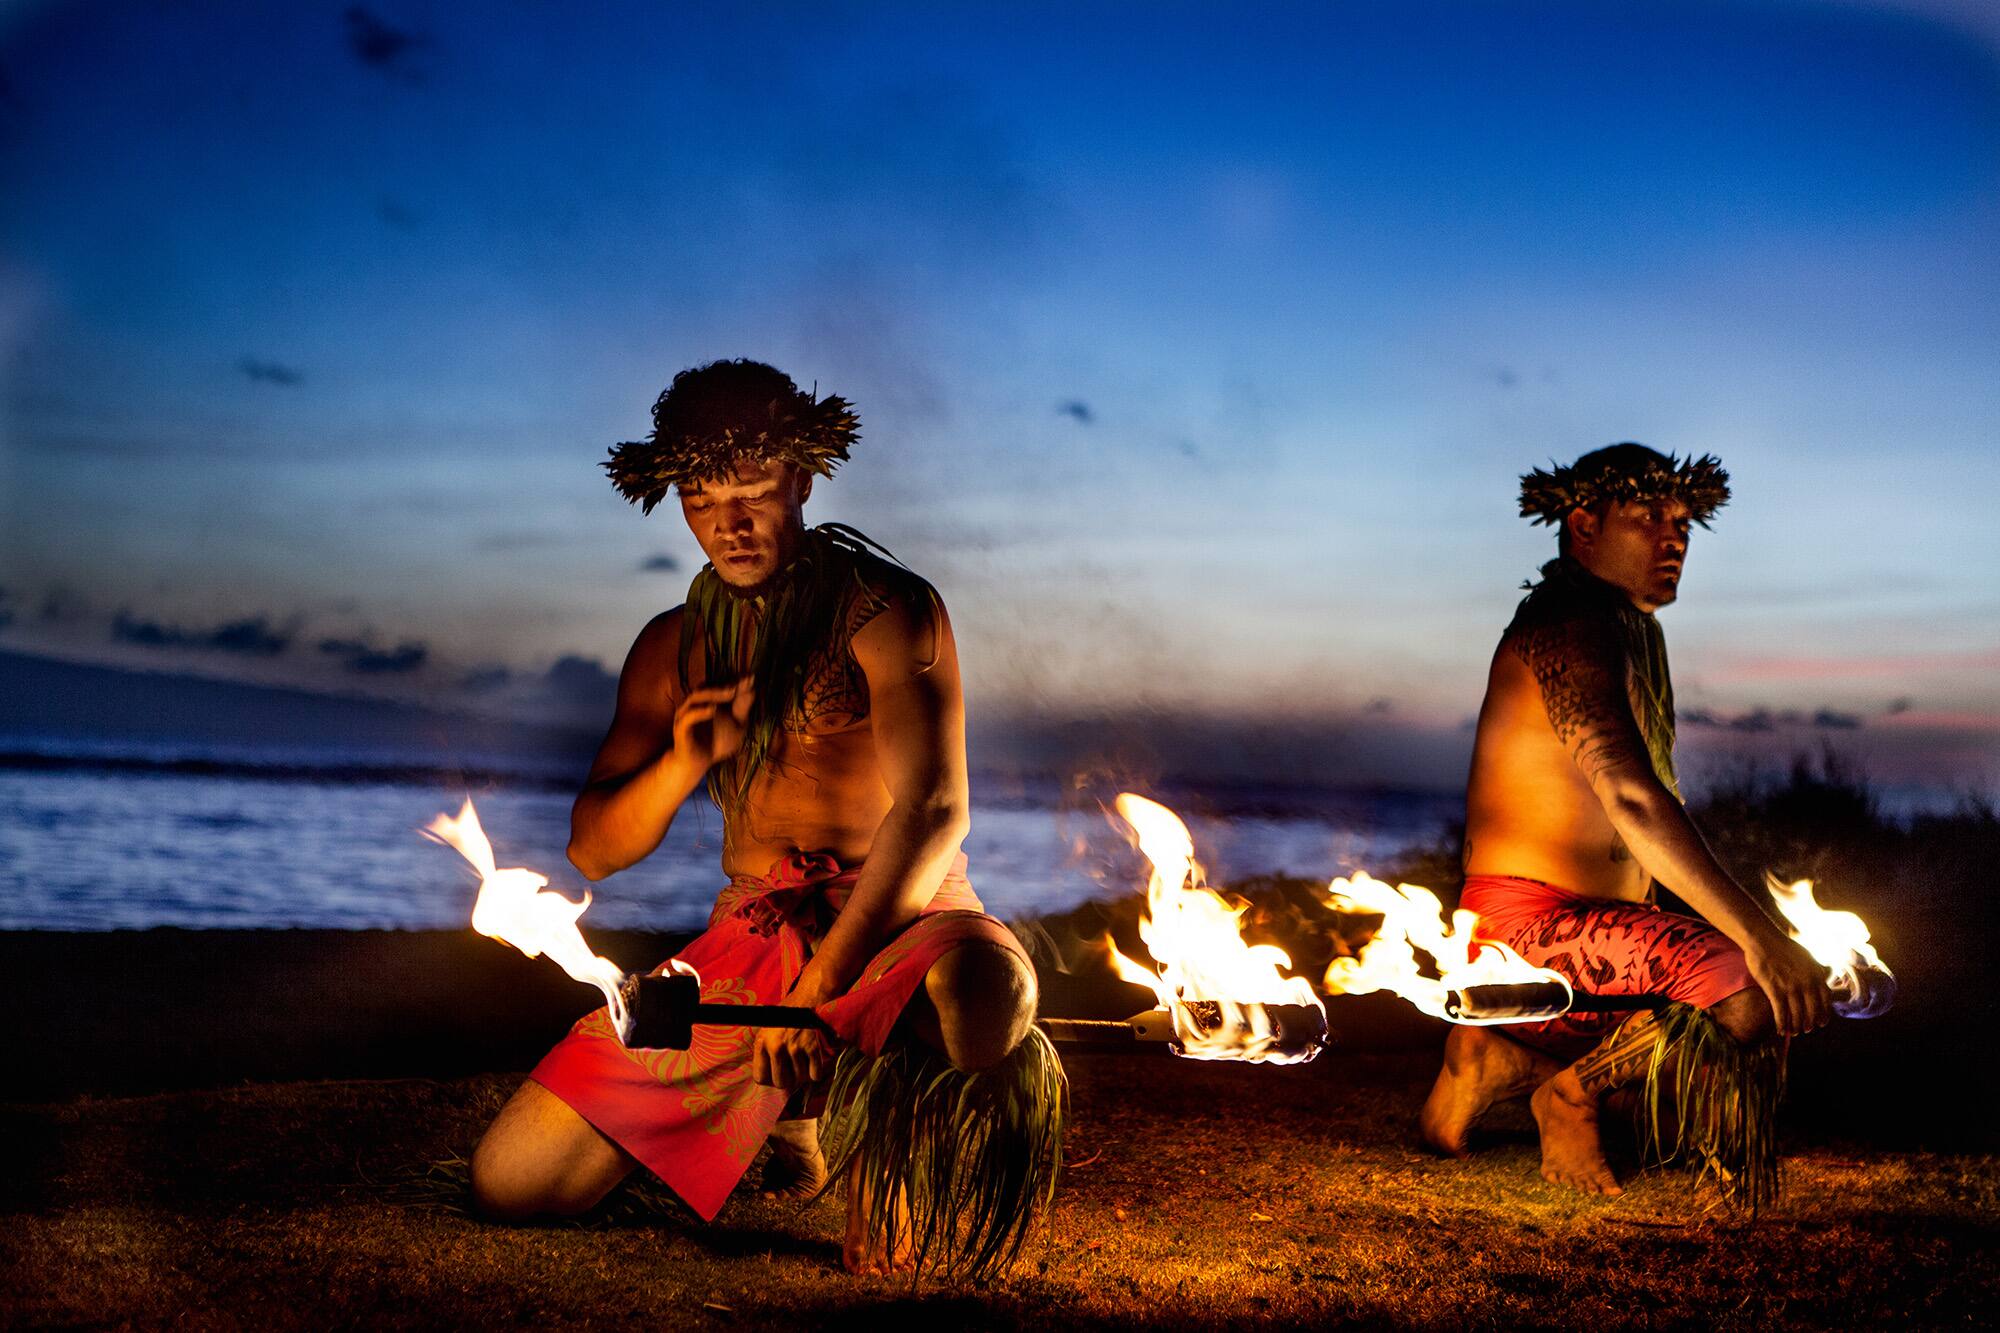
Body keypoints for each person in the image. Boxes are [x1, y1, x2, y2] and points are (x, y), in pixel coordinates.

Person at [467, 358, 1062, 1276]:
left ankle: (851, 1111)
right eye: (702, 499)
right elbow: (594, 848)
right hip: (753, 932)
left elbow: (936, 810)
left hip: (906, 923)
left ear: (804, 480)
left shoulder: (889, 609)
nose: (729, 523)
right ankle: (790, 1120)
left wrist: (820, 994)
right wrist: (684, 760)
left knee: (986, 1002)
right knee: (514, 1183)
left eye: (751, 492)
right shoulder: (673, 644)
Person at [1420, 443, 1831, 1207]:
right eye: (1647, 518)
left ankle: (1497, 1062)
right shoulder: (1568, 622)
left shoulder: (1631, 630)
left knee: (1700, 1061)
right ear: (1582, 524)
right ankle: (1567, 1097)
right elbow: (1633, 798)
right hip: (1528, 929)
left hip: (1604, 936)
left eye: (1682, 523)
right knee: (1749, 987)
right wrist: (1760, 940)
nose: (1673, 537)